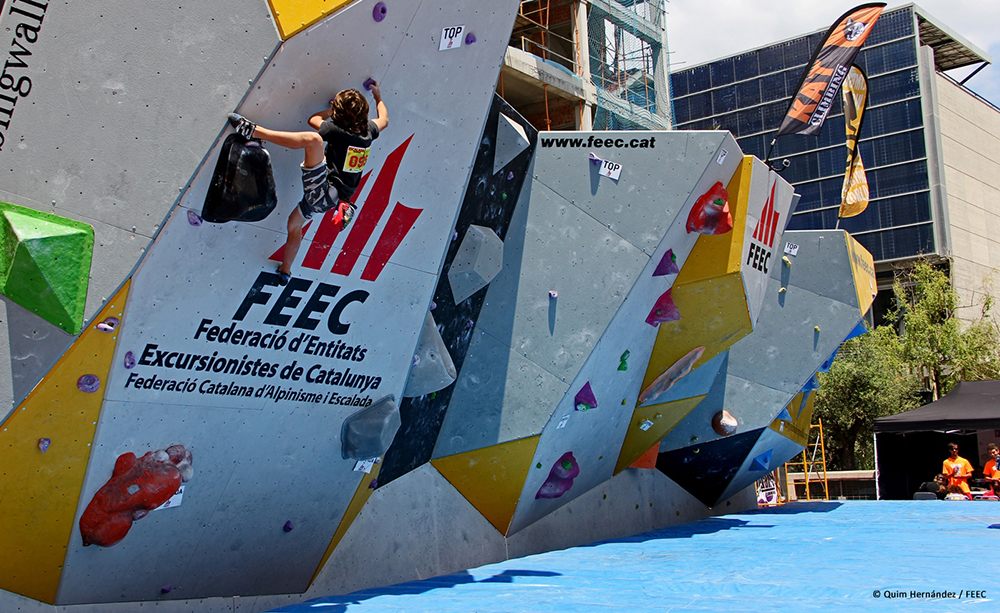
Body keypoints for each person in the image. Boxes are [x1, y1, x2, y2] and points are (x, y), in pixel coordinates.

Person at [227, 81, 389, 284]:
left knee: (313, 140)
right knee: (294, 226)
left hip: (324, 191)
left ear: (339, 115)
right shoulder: (369, 131)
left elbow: (313, 119)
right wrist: (378, 96)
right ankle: (285, 271)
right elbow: (384, 119)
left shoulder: (336, 131)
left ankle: (253, 131)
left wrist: (329, 110)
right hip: (330, 201)